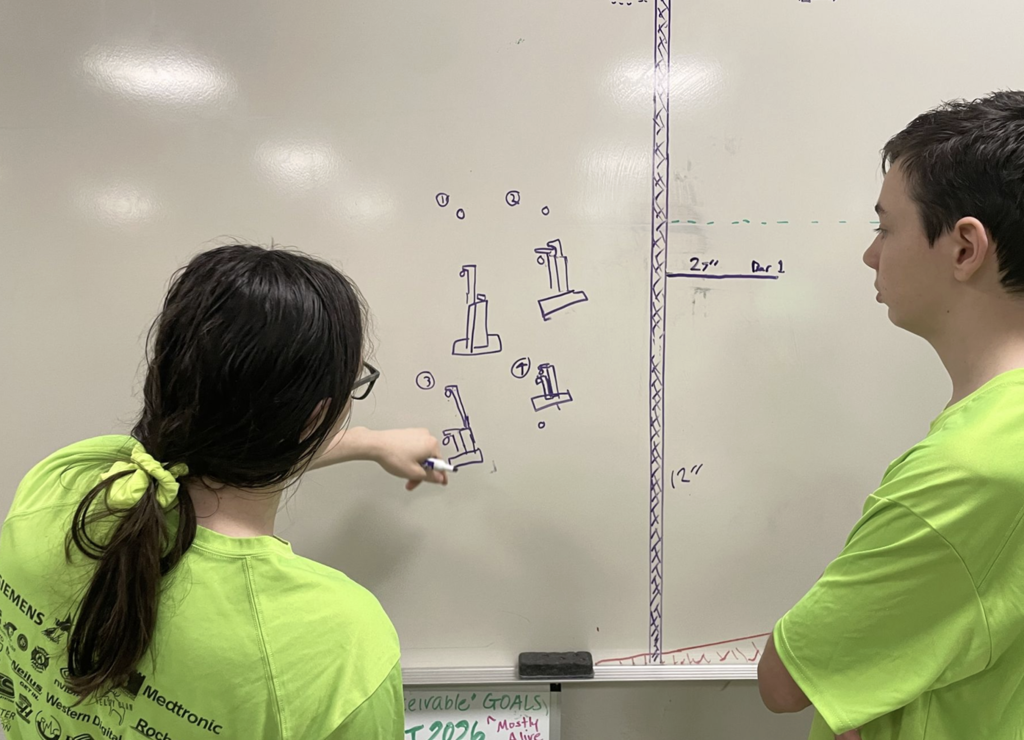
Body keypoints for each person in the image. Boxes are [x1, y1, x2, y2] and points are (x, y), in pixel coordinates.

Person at [0, 244, 448, 739]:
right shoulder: (341, 644)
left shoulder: (62, 482)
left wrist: (367, 443)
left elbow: (209, 444)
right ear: (315, 417)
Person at [757, 91, 1024, 739]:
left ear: (965, 247)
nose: (871, 255)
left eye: (885, 227)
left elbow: (785, 680)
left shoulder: (971, 469)